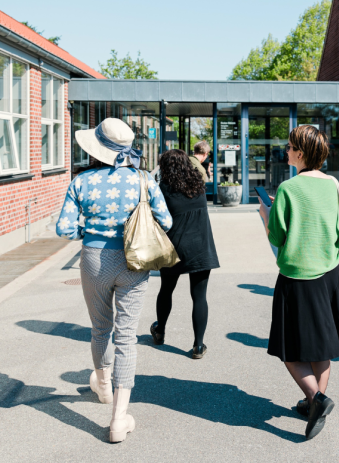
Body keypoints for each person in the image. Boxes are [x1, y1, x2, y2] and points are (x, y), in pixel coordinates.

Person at [56, 118, 172, 443]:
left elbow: (64, 228)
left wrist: (89, 231)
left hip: (94, 259)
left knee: (100, 328)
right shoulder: (144, 180)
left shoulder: (81, 181)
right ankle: (119, 419)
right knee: (126, 337)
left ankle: (103, 387)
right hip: (135, 261)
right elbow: (166, 221)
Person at [259, 125, 339, 441]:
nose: (286, 151)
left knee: (290, 348)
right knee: (321, 345)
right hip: (329, 273)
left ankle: (316, 398)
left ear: (300, 153)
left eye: (289, 147)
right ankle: (313, 401)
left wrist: (266, 213)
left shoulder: (288, 188)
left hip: (297, 276)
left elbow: (277, 236)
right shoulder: (333, 184)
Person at [150, 149, 220, 359]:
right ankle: (198, 345)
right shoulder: (199, 186)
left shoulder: (164, 189)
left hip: (174, 248)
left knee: (166, 290)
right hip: (201, 248)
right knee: (199, 297)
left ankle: (160, 331)